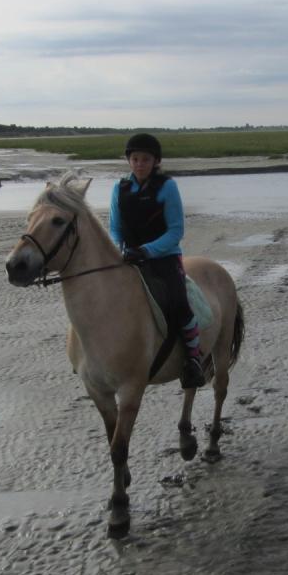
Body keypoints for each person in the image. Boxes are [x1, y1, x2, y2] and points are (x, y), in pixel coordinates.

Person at [109, 132, 206, 389]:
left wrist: (147, 250)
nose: (140, 164)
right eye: (136, 159)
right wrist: (121, 248)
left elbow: (176, 231)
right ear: (129, 160)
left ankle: (194, 360)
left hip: (163, 257)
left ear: (156, 161)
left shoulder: (167, 187)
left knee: (178, 302)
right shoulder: (120, 188)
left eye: (146, 159)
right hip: (130, 257)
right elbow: (115, 227)